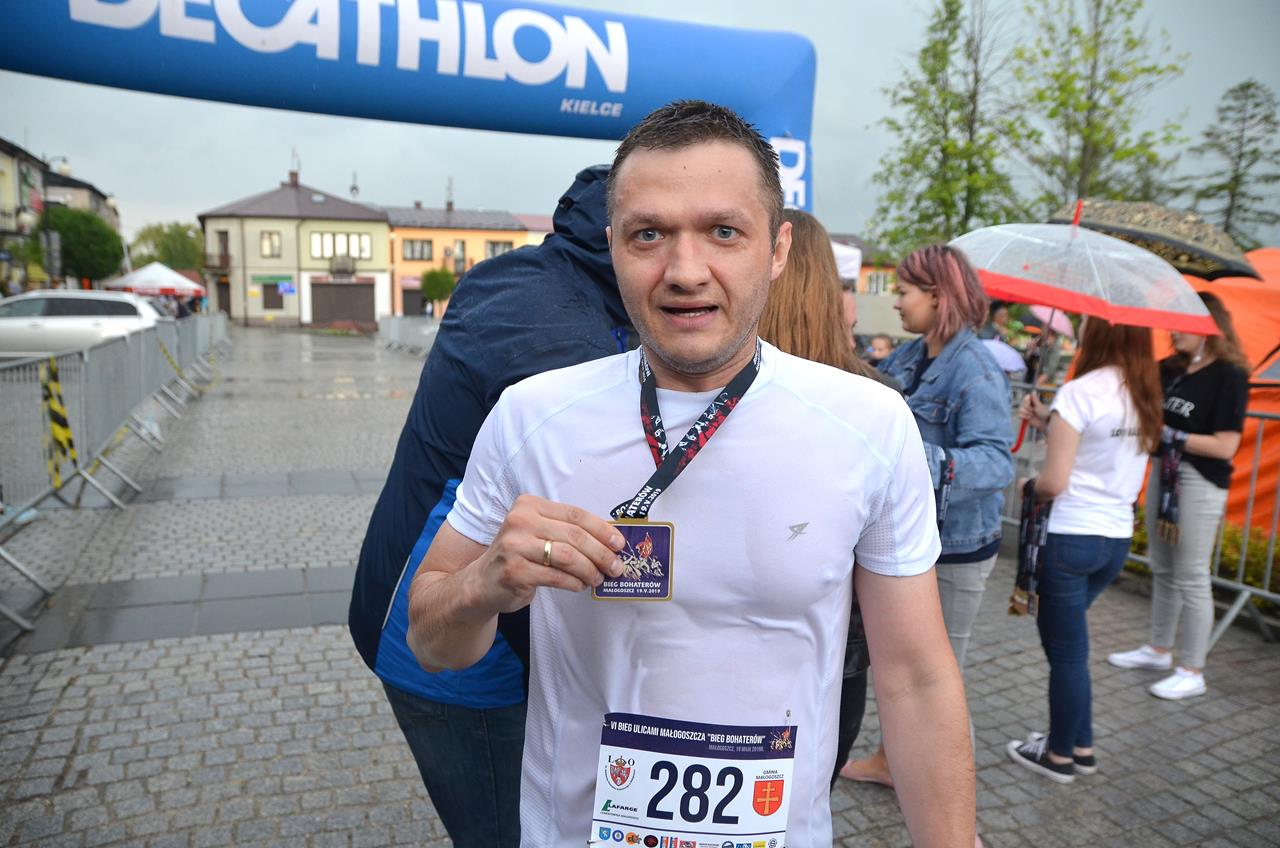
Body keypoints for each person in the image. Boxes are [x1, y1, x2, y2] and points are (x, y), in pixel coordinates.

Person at [407, 100, 975, 847]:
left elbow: (916, 680)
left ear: (777, 249)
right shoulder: (531, 415)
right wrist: (485, 583)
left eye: (723, 232)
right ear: (613, 247)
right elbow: (432, 643)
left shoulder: (868, 424)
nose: (684, 271)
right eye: (649, 234)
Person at [348, 165, 632, 847]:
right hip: (459, 646)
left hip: (439, 606)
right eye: (654, 233)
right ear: (619, 234)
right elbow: (606, 502)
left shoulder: (532, 276)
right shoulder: (561, 334)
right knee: (510, 830)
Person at [843, 244, 1014, 788]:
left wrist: (916, 462)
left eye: (903, 291)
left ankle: (952, 808)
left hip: (958, 548)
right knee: (903, 666)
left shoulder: (977, 370)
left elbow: (996, 464)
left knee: (939, 677)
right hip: (915, 540)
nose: (895, 301)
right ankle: (891, 762)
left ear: (938, 295)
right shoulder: (909, 357)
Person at [756, 208, 895, 791]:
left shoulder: (712, 390)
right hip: (840, 646)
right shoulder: (875, 399)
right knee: (808, 793)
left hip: (744, 635)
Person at [1008, 315, 1163, 782]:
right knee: (1070, 650)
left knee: (1067, 655)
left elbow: (1053, 482)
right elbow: (1097, 450)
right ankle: (1081, 744)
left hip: (1069, 538)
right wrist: (1047, 420)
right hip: (1114, 540)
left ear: (1098, 333)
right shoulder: (1144, 394)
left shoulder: (1080, 392)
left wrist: (1027, 485)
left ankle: (1058, 756)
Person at [1108, 292, 1250, 700]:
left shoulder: (1229, 375)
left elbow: (1225, 446)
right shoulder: (1170, 368)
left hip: (1198, 480)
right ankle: (1158, 649)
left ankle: (1192, 669)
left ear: (1208, 326)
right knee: (1163, 566)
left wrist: (1171, 435)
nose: (1172, 331)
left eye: (1181, 323)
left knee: (1191, 574)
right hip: (1163, 473)